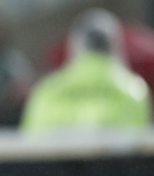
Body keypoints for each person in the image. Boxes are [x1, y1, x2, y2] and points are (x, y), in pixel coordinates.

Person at [21, 8, 151, 132]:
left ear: (74, 45)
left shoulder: (46, 91)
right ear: (115, 45)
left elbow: (28, 141)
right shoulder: (133, 90)